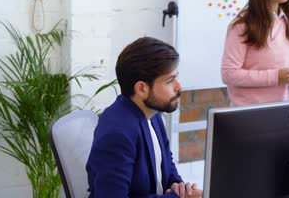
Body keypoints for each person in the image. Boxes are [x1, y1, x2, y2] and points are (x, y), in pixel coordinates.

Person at [86, 37, 203, 198]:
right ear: (142, 88)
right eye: (170, 81)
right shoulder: (117, 133)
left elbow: (166, 162)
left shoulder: (151, 112)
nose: (179, 86)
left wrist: (180, 187)